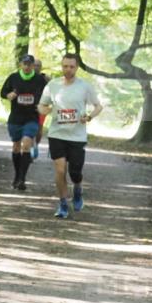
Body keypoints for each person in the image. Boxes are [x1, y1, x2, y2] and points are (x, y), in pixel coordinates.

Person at [37, 53, 103, 219]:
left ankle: (78, 190)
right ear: (62, 66)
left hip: (77, 137)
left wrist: (89, 117)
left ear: (76, 67)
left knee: (75, 173)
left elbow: (98, 106)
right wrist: (46, 110)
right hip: (57, 135)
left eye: (71, 66)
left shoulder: (85, 86)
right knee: (60, 170)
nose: (68, 69)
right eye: (65, 66)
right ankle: (63, 204)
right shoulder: (53, 85)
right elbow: (41, 105)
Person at [1, 54, 48, 190]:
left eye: (29, 64)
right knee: (16, 147)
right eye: (25, 64)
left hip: (31, 118)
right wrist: (9, 95)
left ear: (33, 66)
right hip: (16, 118)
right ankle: (16, 176)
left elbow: (48, 95)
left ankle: (22, 178)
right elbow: (3, 92)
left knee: (26, 144)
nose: (27, 67)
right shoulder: (13, 78)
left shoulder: (39, 80)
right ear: (21, 64)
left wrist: (43, 105)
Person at [32, 58, 51, 159]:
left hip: (42, 107)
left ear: (41, 67)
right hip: (29, 107)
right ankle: (29, 147)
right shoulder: (26, 77)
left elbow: (53, 91)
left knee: (39, 129)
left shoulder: (46, 78)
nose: (36, 67)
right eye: (34, 65)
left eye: (38, 65)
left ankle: (36, 145)